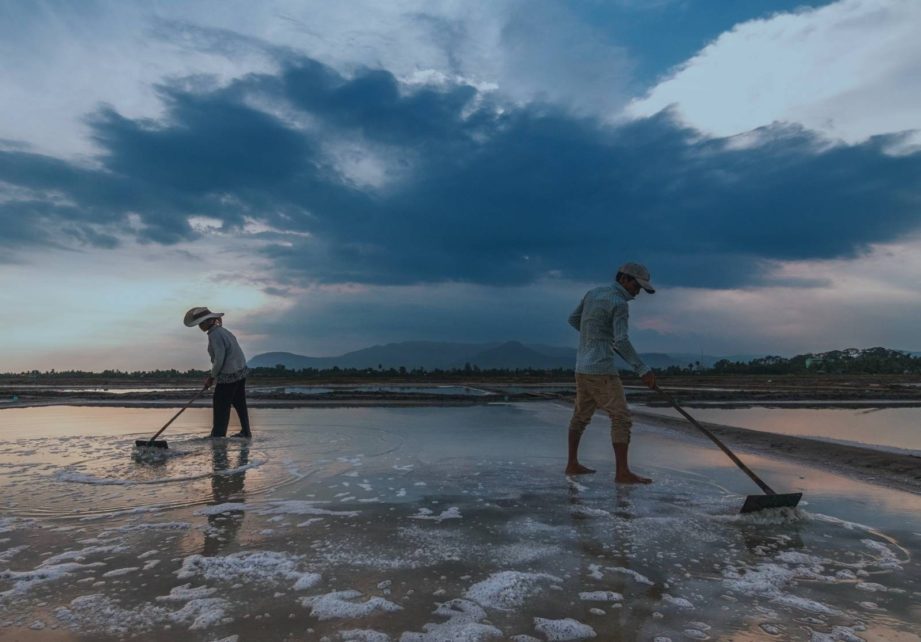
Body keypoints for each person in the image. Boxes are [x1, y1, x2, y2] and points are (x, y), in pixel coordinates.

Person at [565, 262, 657, 483]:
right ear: (624, 279)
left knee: (580, 417)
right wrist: (643, 369)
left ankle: (572, 464)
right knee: (621, 418)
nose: (638, 291)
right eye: (636, 285)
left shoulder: (593, 293)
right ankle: (622, 472)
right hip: (602, 370)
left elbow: (573, 319)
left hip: (582, 368)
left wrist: (595, 335)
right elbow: (622, 340)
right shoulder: (619, 303)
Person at [183, 307, 252, 439]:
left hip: (229, 375)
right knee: (239, 402)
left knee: (220, 403)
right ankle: (246, 432)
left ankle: (218, 435)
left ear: (209, 321)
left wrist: (211, 377)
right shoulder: (223, 331)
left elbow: (219, 359)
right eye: (199, 324)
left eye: (202, 323)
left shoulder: (215, 335)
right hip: (240, 371)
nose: (200, 326)